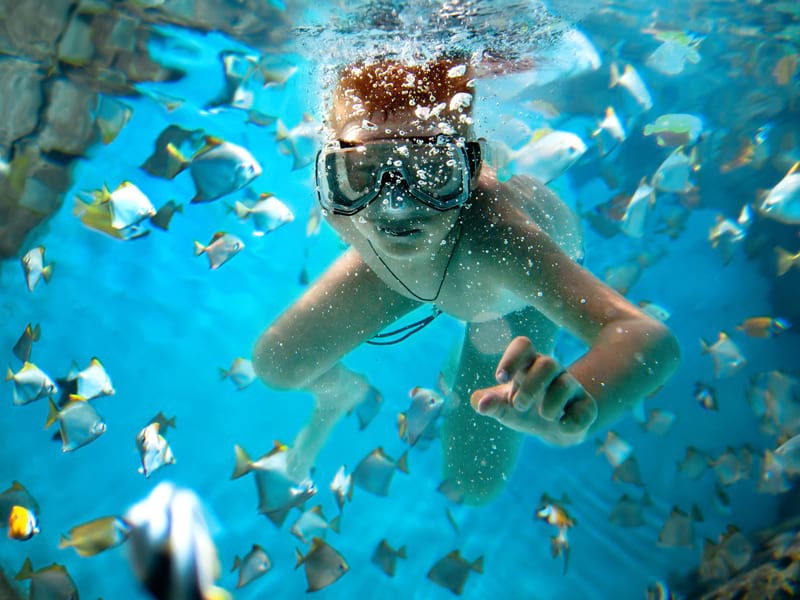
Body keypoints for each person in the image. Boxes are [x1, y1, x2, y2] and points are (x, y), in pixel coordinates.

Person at [253, 57, 681, 505]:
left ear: (472, 170)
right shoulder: (347, 212)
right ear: (330, 171)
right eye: (362, 171)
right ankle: (341, 393)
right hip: (429, 270)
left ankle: (472, 351)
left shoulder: (500, 240)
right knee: (277, 363)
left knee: (474, 483)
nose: (395, 208)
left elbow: (649, 338)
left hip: (511, 299)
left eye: (433, 168)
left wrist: (576, 403)